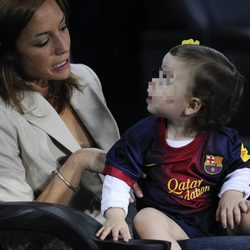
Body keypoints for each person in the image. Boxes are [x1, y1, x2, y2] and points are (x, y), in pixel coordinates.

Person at [0, 0, 143, 248]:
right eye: (43, 41)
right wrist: (78, 162)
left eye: (63, 28)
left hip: (133, 224)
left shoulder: (85, 78)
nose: (63, 46)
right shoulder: (4, 115)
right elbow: (15, 232)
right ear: (9, 51)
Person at [96, 39, 250, 250]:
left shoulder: (223, 140)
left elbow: (242, 169)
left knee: (246, 209)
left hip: (219, 216)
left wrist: (233, 193)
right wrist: (114, 215)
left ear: (192, 105)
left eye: (165, 79)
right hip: (173, 224)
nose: (153, 82)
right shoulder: (142, 136)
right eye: (159, 74)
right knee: (145, 218)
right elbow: (118, 177)